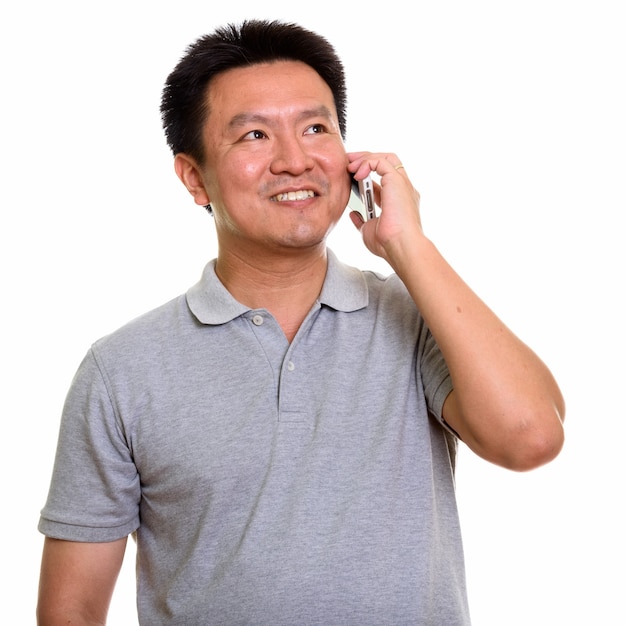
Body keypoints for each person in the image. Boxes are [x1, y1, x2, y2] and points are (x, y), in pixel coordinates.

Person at [36, 19, 565, 625]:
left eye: (317, 128)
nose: (294, 160)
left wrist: (407, 243)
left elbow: (531, 437)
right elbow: (69, 613)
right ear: (193, 176)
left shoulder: (419, 320)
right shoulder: (121, 370)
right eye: (255, 135)